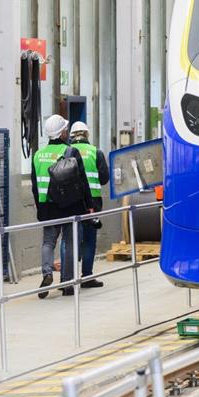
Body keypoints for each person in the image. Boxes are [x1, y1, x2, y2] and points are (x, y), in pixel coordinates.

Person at [31, 115, 95, 298]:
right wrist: (89, 205)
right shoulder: (70, 152)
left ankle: (47, 273)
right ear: (63, 132)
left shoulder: (37, 155)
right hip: (69, 205)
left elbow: (35, 186)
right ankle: (67, 284)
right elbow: (82, 182)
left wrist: (39, 207)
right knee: (69, 242)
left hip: (46, 206)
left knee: (48, 242)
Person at [68, 121, 109, 288]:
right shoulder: (95, 152)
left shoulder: (66, 151)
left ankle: (68, 278)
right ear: (87, 134)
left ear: (71, 136)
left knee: (69, 239)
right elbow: (104, 178)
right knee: (89, 239)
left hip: (71, 201)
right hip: (92, 201)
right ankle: (86, 276)